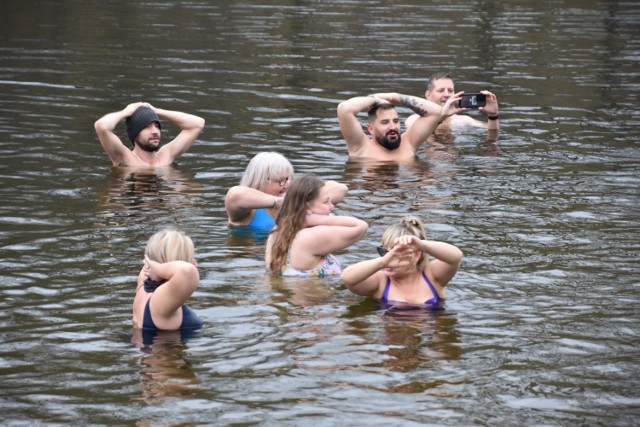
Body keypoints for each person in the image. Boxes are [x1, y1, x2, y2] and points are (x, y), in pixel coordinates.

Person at [341, 217, 463, 308]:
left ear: (416, 255)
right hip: (392, 339)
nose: (389, 259)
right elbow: (347, 278)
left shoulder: (431, 275)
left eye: (397, 254)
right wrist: (382, 262)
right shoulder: (381, 282)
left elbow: (455, 256)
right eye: (384, 251)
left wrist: (422, 245)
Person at [265, 174, 368, 277]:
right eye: (326, 202)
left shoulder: (278, 230)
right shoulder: (308, 236)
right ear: (307, 206)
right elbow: (361, 226)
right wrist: (318, 219)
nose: (331, 206)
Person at [225, 152, 349, 232]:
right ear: (260, 180)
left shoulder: (294, 203)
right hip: (253, 262)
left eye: (288, 179)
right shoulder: (247, 211)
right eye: (280, 180)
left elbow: (340, 188)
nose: (286, 185)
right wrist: (280, 202)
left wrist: (304, 199)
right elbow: (235, 194)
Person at [337, 92, 462, 161]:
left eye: (396, 121)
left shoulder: (408, 143)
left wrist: (393, 96)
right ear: (371, 129)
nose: (393, 127)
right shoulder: (360, 147)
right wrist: (375, 99)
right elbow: (344, 109)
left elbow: (435, 112)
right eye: (385, 122)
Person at [132, 229, 203, 332]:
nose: (195, 263)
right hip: (169, 347)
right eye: (190, 258)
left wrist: (156, 268)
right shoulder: (159, 302)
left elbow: (147, 265)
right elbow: (188, 271)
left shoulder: (143, 286)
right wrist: (158, 269)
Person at [94, 102, 205, 167]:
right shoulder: (124, 158)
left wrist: (157, 111)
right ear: (134, 133)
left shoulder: (166, 156)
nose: (155, 131)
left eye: (156, 126)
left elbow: (197, 124)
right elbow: (101, 126)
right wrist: (126, 112)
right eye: (147, 127)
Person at [405, 72, 500, 131]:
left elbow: (492, 135)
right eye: (441, 90)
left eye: (450, 91)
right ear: (428, 95)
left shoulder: (464, 121)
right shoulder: (413, 120)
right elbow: (418, 134)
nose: (447, 94)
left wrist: (493, 115)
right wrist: (442, 116)